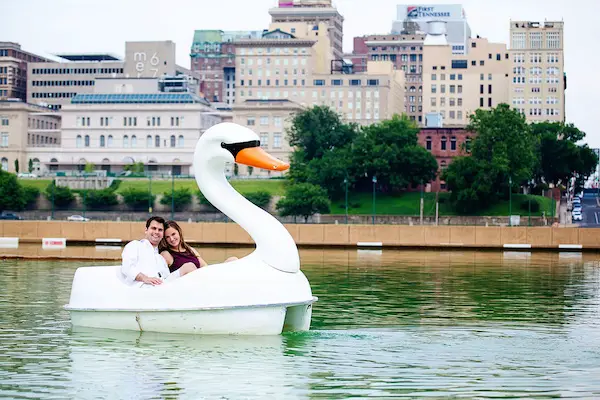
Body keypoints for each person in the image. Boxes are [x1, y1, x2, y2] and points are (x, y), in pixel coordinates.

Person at [159, 220, 237, 277]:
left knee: (233, 260)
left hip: (204, 279)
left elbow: (205, 267)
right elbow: (163, 276)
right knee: (189, 266)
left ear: (179, 232)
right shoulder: (166, 254)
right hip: (189, 286)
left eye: (173, 234)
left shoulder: (190, 250)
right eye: (167, 237)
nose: (172, 239)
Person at [121, 216, 171, 286]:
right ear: (146, 230)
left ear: (163, 235)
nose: (156, 232)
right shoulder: (135, 245)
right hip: (140, 290)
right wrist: (145, 278)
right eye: (153, 228)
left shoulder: (161, 259)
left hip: (160, 290)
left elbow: (167, 278)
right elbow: (127, 267)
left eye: (160, 230)